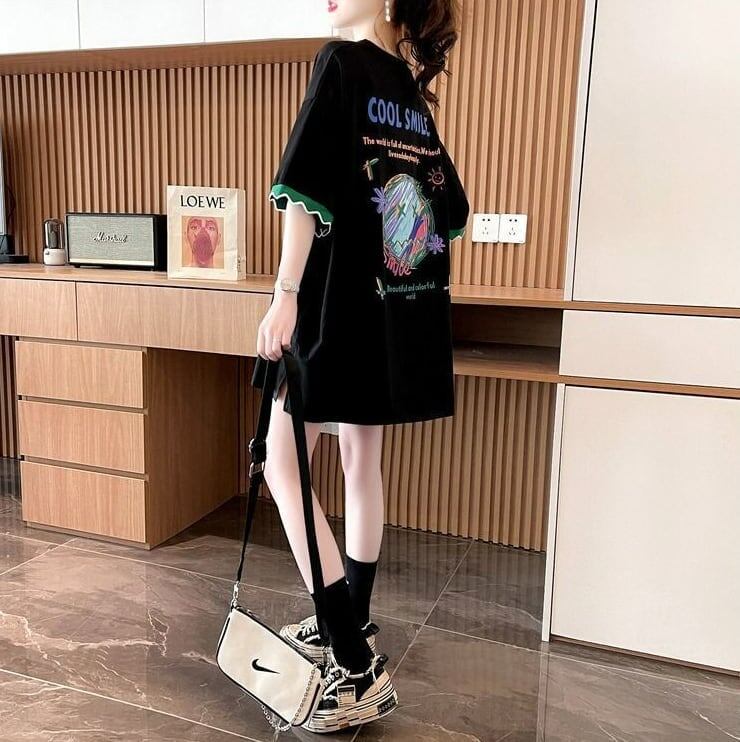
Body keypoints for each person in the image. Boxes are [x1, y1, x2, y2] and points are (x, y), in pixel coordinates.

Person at [252, 0, 470, 733]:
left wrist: (285, 294)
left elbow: (303, 191)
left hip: (334, 310)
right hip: (388, 314)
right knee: (359, 463)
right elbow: (449, 209)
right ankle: (353, 614)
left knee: (282, 464)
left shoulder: (340, 63)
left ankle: (354, 664)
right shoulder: (408, 89)